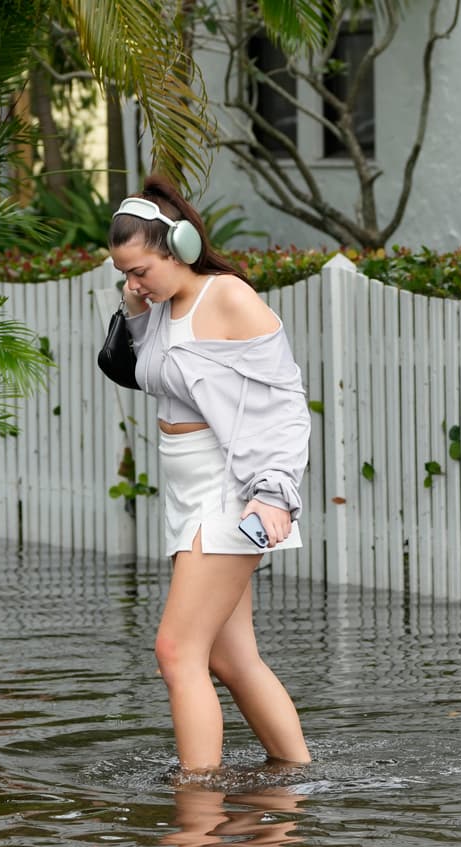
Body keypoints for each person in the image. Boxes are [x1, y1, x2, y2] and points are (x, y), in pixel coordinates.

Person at [109, 176, 312, 772]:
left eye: (141, 270)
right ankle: (294, 778)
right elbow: (162, 371)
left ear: (182, 249)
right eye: (124, 273)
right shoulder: (164, 307)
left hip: (232, 494)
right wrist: (137, 309)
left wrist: (274, 493)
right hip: (187, 494)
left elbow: (285, 403)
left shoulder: (227, 297)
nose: (132, 283)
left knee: (176, 651)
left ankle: (196, 811)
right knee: (232, 659)